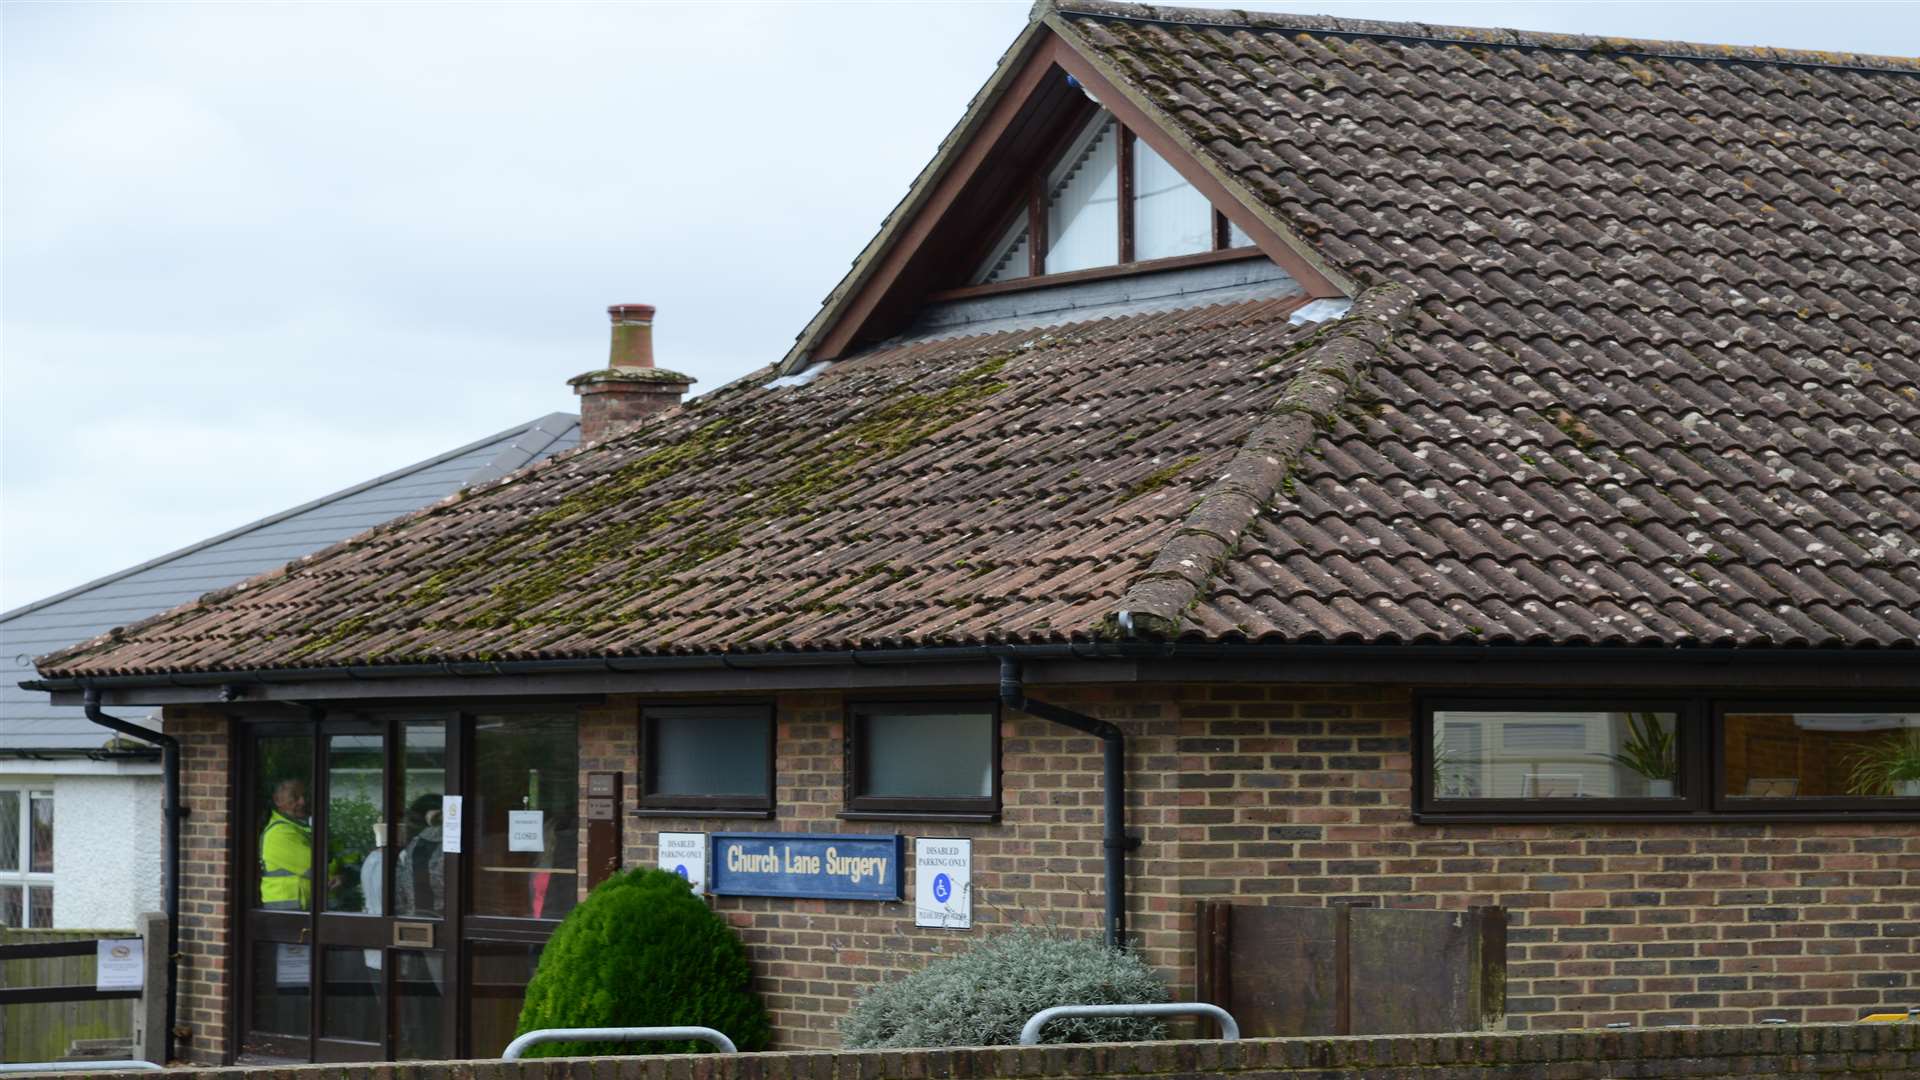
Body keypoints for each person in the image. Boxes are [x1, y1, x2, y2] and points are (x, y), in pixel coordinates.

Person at [259, 777, 314, 910]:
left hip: (296, 907)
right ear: (278, 800)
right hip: (286, 910)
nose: (302, 801)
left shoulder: (297, 827)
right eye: (295, 797)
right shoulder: (279, 833)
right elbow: (315, 866)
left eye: (304, 796)